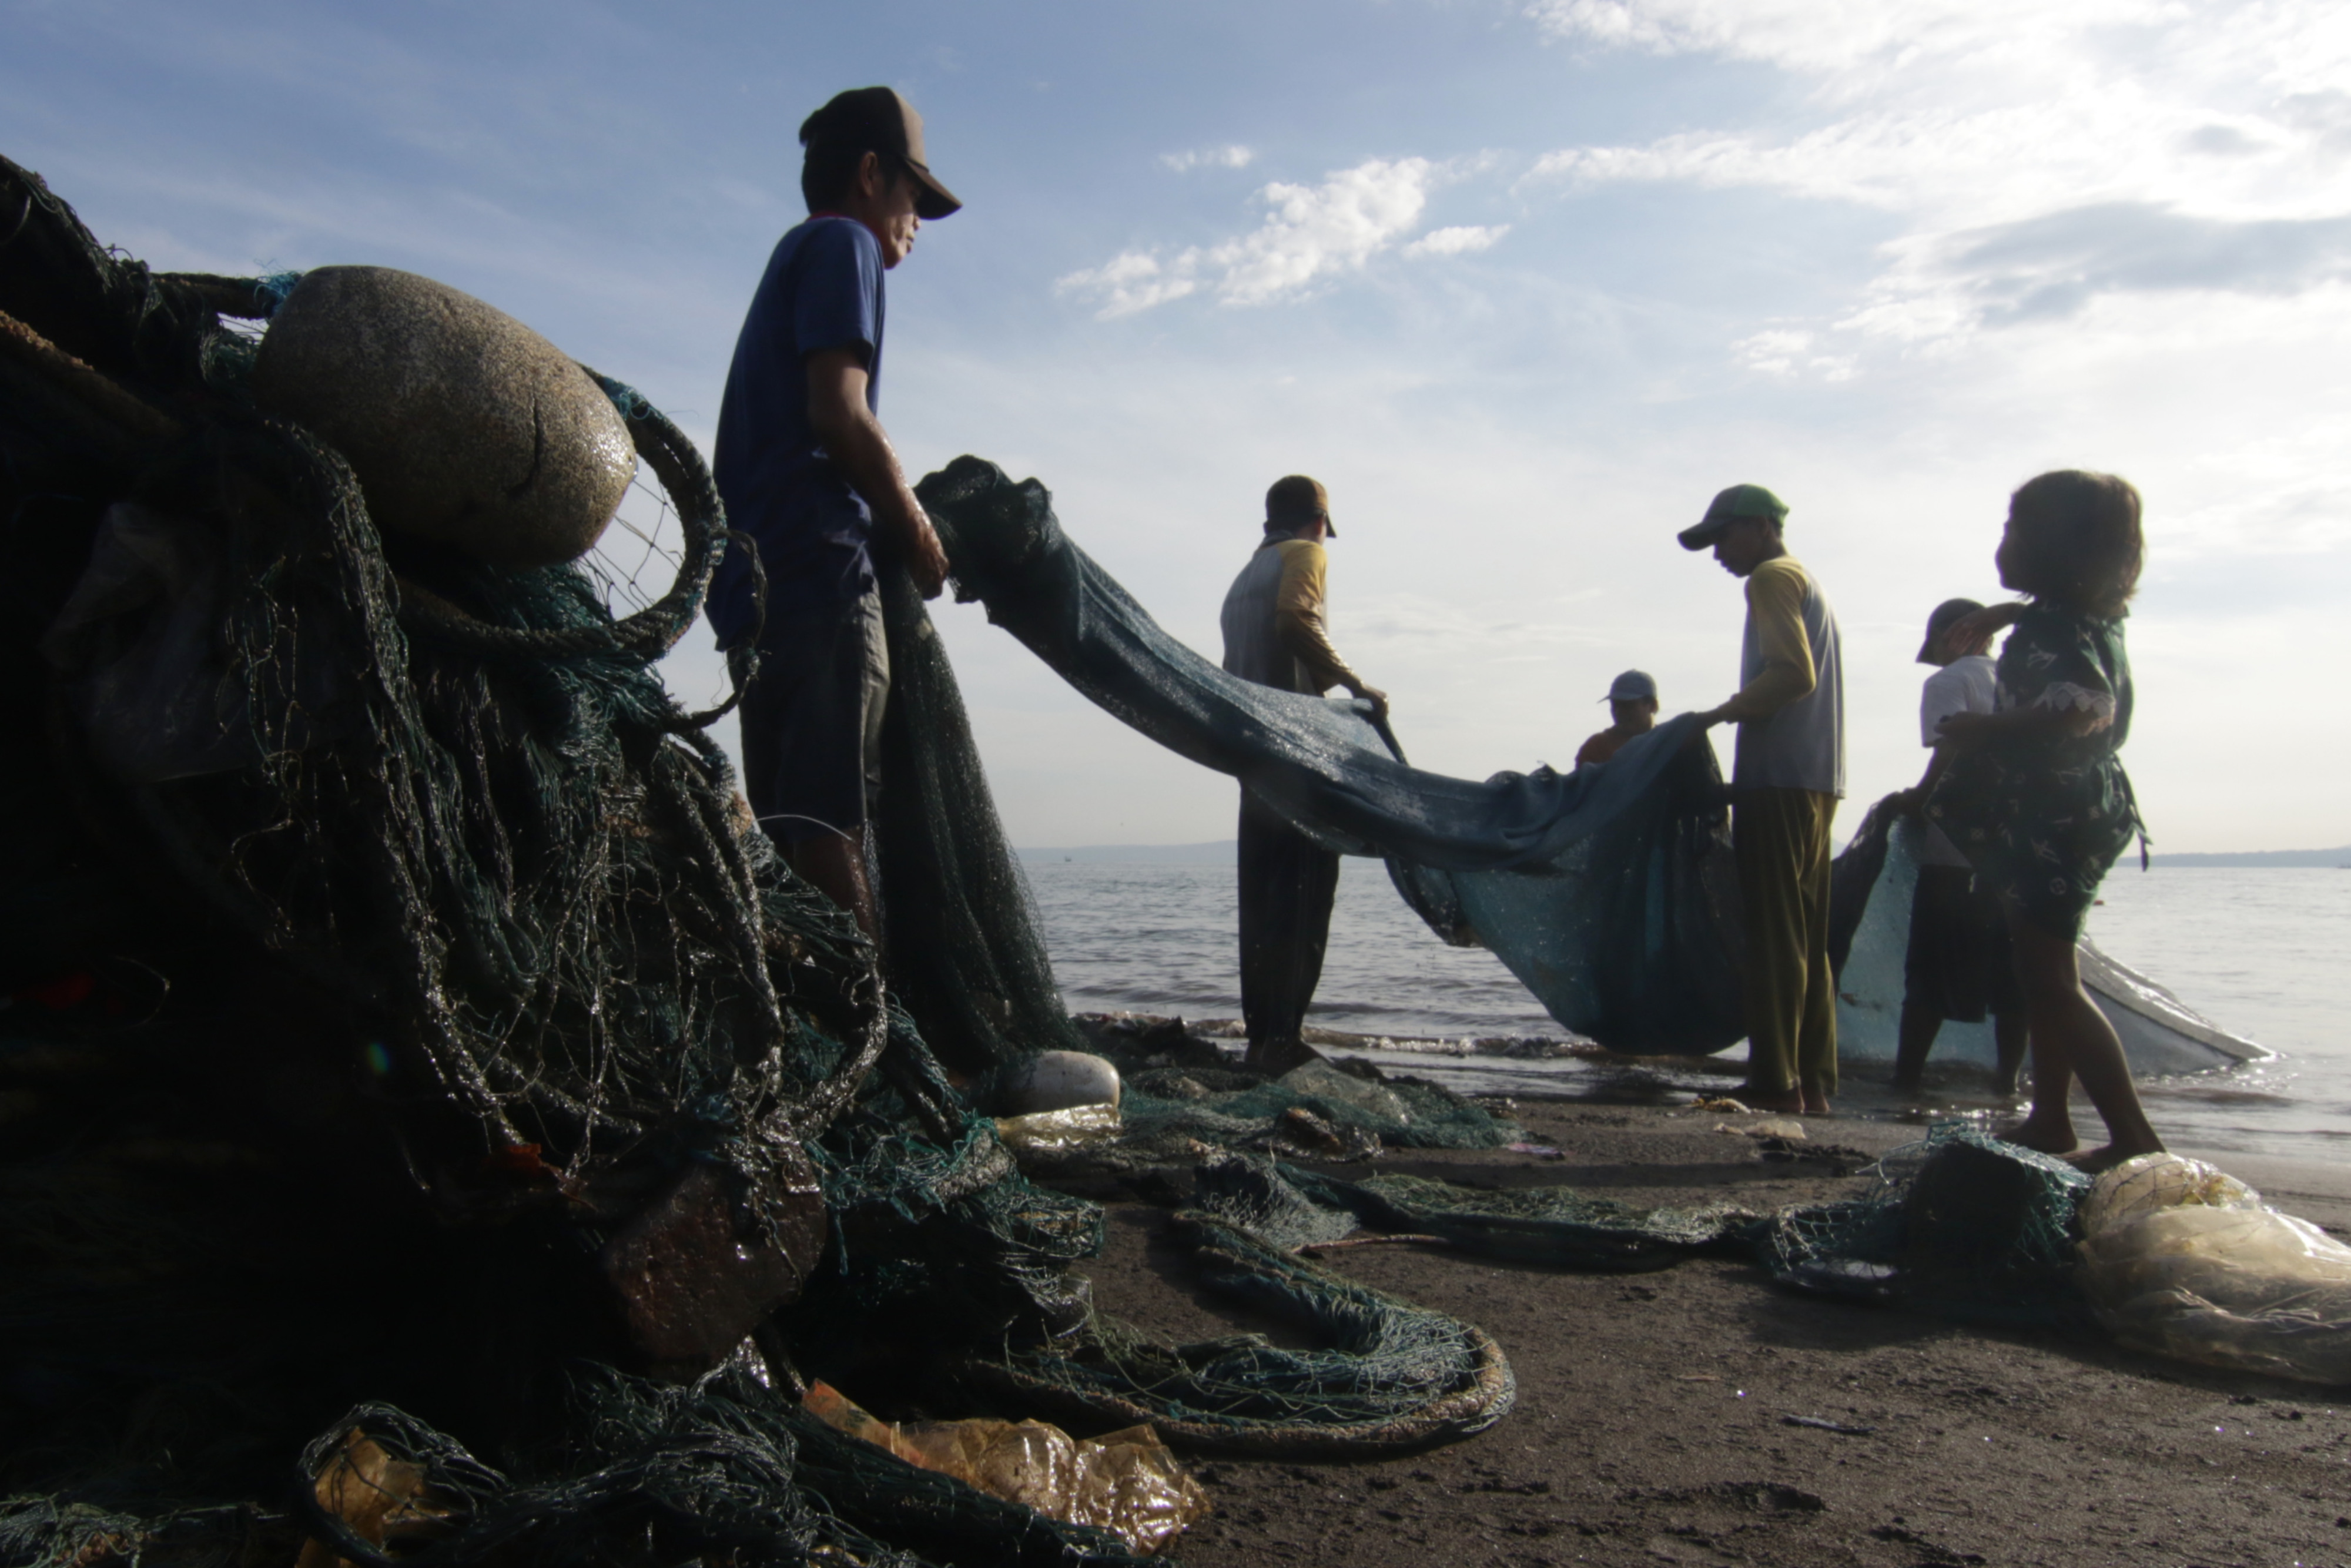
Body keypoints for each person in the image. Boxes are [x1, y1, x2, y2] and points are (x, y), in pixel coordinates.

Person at [706, 87, 960, 942]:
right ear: (868, 174)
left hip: (752, 587)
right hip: (819, 571)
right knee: (829, 820)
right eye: (914, 196)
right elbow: (840, 415)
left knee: (786, 826)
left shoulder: (793, 254)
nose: (916, 220)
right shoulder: (841, 242)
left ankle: (809, 1034)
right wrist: (917, 529)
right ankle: (874, 1048)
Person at [1926, 471, 2162, 1170]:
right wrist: (2007, 613)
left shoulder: (2055, 625)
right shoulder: (2083, 616)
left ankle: (2133, 1139)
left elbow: (2080, 707)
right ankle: (2050, 1119)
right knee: (2043, 975)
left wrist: (1981, 726)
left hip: (2055, 816)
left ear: (2054, 544)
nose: (2003, 539)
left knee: (2051, 980)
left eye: (2014, 527)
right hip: (2083, 810)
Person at [1682, 484, 1844, 1116]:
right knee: (1806, 936)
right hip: (1818, 780)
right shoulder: (1806, 578)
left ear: (1759, 526)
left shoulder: (1771, 577)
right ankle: (1815, 1084)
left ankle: (1775, 1080)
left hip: (1778, 781)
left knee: (1775, 936)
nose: (1717, 553)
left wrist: (1716, 715)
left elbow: (1792, 674)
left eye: (1721, 537)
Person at [1220, 475, 1388, 1076]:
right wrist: (1353, 683)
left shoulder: (1242, 579)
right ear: (1318, 519)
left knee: (1261, 903)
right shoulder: (1306, 554)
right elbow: (1296, 621)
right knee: (1304, 896)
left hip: (1253, 762)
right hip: (1299, 759)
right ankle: (1283, 1040)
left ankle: (1261, 1038)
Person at [1890, 597, 2028, 1098]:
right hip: (2016, 853)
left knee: (1930, 971)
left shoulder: (1946, 683)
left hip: (1955, 853)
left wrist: (1917, 801)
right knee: (2013, 980)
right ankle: (2008, 1084)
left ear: (1950, 636)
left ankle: (1906, 1080)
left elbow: (1950, 750)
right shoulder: (2015, 680)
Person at [1575, 671, 1660, 766]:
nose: (1618, 712)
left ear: (1653, 705)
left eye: (1627, 705)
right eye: (1615, 705)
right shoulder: (1597, 747)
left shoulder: (1669, 743)